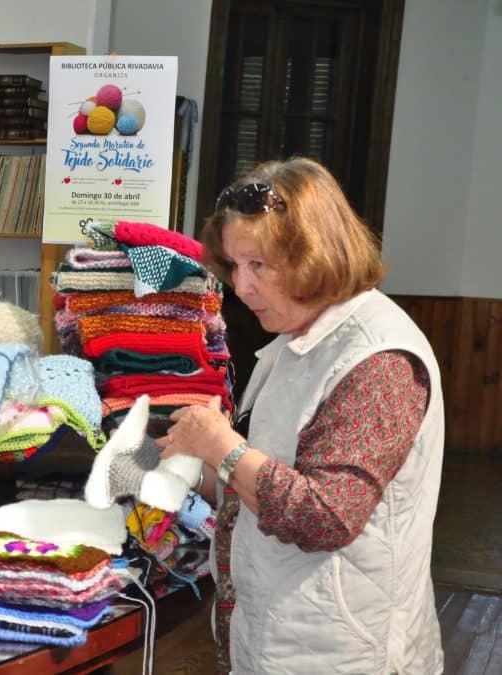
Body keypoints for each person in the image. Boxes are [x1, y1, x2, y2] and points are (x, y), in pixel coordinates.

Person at [154, 157, 445, 674]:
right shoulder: (298, 340)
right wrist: (182, 467)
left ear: (314, 254)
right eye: (235, 266)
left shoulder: (379, 360)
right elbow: (272, 474)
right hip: (284, 637)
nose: (241, 289)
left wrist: (222, 446)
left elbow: (326, 515)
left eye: (259, 266)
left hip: (343, 652)